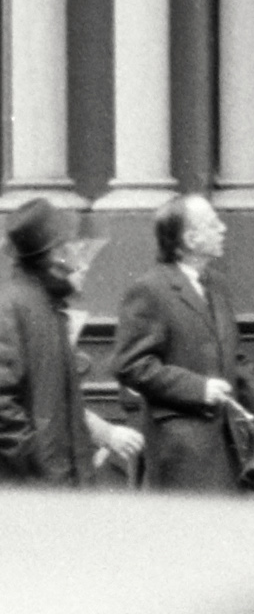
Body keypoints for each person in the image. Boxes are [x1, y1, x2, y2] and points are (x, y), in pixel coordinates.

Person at [115, 192, 254, 494]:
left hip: (225, 444)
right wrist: (199, 388)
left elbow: (234, 359)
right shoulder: (150, 289)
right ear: (190, 239)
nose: (223, 228)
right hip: (180, 452)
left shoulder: (216, 284)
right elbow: (132, 365)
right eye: (213, 224)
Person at [1, 200, 138, 486]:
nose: (77, 254)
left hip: (60, 483)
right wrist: (38, 472)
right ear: (52, 254)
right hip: (40, 488)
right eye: (70, 245)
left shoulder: (49, 307)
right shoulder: (12, 307)